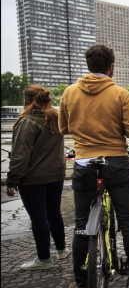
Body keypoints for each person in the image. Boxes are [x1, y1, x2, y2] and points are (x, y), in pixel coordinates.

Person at [59, 44, 129, 288]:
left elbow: (63, 128)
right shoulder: (120, 93)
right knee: (128, 220)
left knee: (80, 225)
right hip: (116, 162)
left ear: (88, 65)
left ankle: (82, 284)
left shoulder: (69, 93)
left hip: (85, 163)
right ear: (111, 67)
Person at [7, 85, 70, 270]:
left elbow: (20, 154)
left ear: (27, 100)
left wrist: (13, 179)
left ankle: (44, 259)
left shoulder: (26, 122)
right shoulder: (56, 118)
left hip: (33, 178)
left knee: (39, 218)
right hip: (56, 175)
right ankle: (61, 250)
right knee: (54, 212)